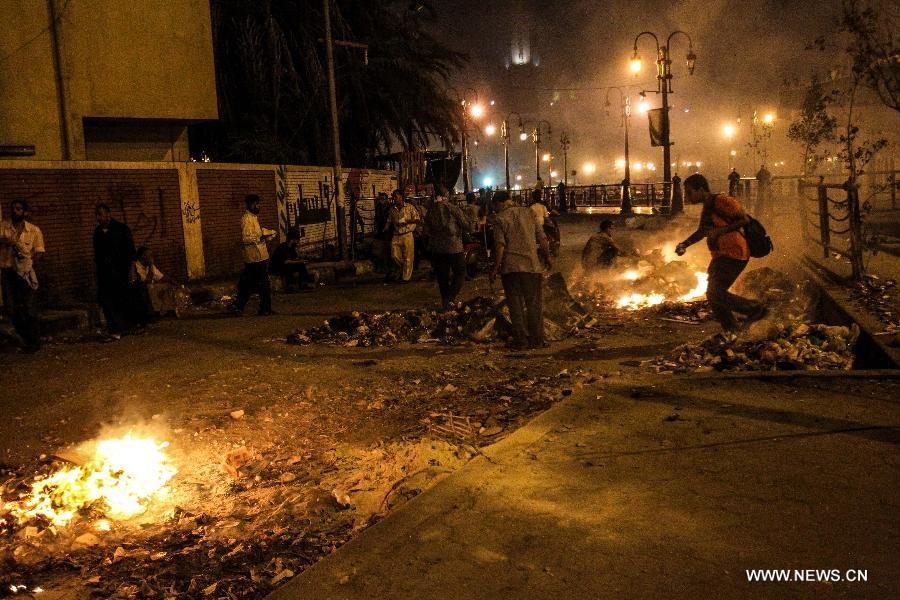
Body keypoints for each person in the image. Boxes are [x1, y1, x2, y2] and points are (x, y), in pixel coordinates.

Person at [675, 173, 768, 332]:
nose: (687, 196)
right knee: (713, 296)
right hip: (721, 255)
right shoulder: (709, 205)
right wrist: (685, 244)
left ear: (701, 189)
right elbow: (702, 231)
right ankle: (732, 330)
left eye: (690, 192)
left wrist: (720, 231)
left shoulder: (722, 201)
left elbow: (744, 219)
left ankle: (754, 309)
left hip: (735, 253)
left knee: (715, 293)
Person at [489, 191, 553, 350]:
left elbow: (500, 245)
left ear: (499, 203)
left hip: (510, 268)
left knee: (515, 305)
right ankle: (537, 340)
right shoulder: (529, 212)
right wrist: (548, 258)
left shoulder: (499, 219)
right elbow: (543, 239)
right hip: (532, 266)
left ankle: (521, 341)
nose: (495, 210)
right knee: (534, 305)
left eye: (495, 206)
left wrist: (495, 268)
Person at [0, 199, 44, 351]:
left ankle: (34, 341)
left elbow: (39, 251)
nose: (15, 211)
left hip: (24, 273)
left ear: (25, 212)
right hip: (7, 271)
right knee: (11, 308)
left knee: (29, 307)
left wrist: (28, 263)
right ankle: (25, 337)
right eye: (13, 208)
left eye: (18, 209)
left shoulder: (34, 230)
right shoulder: (3, 227)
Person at [94, 203, 140, 339]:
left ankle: (125, 326)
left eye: (100, 214)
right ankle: (114, 329)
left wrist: (131, 269)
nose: (98, 217)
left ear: (108, 214)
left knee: (121, 299)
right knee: (107, 301)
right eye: (97, 215)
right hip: (105, 273)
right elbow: (97, 255)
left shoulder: (121, 229)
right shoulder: (97, 233)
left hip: (120, 271)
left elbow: (131, 250)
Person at [424, 186, 474, 309]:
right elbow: (468, 226)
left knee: (442, 276)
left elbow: (425, 230)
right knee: (460, 273)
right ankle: (449, 298)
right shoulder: (453, 209)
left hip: (437, 248)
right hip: (454, 247)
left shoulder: (430, 210)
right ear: (447, 195)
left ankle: (445, 301)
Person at [230, 194, 277, 315]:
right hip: (254, 258)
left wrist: (267, 236)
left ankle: (239, 306)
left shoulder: (254, 218)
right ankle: (264, 308)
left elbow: (257, 236)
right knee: (261, 284)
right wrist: (261, 236)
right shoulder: (246, 219)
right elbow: (246, 238)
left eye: (258, 203)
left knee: (250, 283)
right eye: (255, 204)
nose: (257, 206)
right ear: (249, 205)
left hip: (260, 256)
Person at [387, 188, 420, 282]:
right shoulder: (392, 209)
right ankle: (403, 268)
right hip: (396, 234)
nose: (395, 198)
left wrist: (407, 221)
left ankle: (406, 278)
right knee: (394, 255)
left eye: (396, 196)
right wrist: (385, 227)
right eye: (394, 197)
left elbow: (417, 219)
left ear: (401, 197)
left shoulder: (410, 207)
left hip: (407, 234)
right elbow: (389, 220)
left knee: (408, 257)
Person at [134, 246, 178, 317]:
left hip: (148, 288)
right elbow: (147, 281)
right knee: (151, 287)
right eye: (149, 255)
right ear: (143, 256)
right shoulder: (136, 266)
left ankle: (168, 309)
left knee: (167, 285)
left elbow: (161, 277)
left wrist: (174, 282)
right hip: (140, 290)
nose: (152, 257)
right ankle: (155, 312)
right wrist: (151, 265)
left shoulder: (148, 265)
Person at [373, 192, 393, 274]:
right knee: (381, 250)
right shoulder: (378, 207)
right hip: (381, 230)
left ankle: (389, 267)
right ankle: (383, 267)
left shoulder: (390, 207)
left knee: (389, 249)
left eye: (383, 199)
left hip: (389, 231)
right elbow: (376, 219)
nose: (381, 201)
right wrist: (376, 229)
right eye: (380, 199)